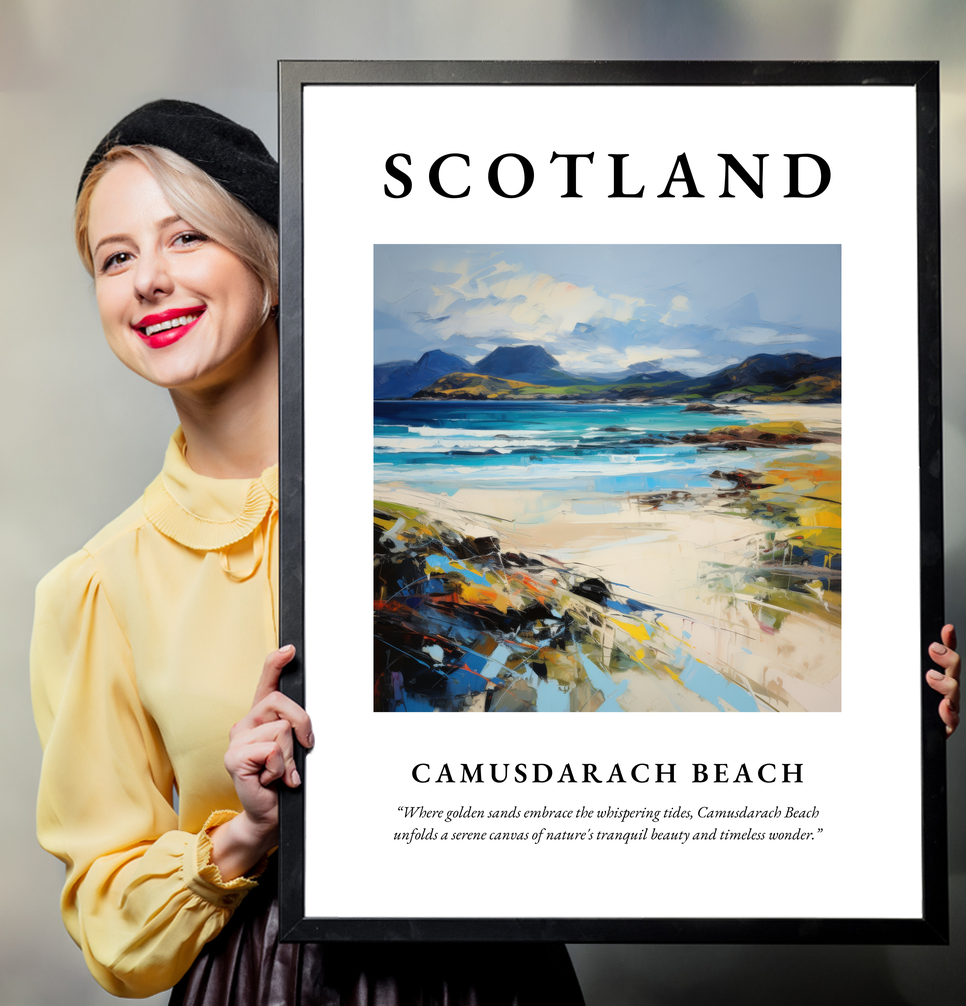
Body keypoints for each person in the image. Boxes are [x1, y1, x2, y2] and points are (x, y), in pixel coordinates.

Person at [30, 100, 585, 1004]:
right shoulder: (97, 586)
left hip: (493, 973)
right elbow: (110, 925)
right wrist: (245, 832)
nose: (148, 281)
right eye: (116, 257)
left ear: (273, 264)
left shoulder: (448, 509)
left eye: (185, 239)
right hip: (264, 981)